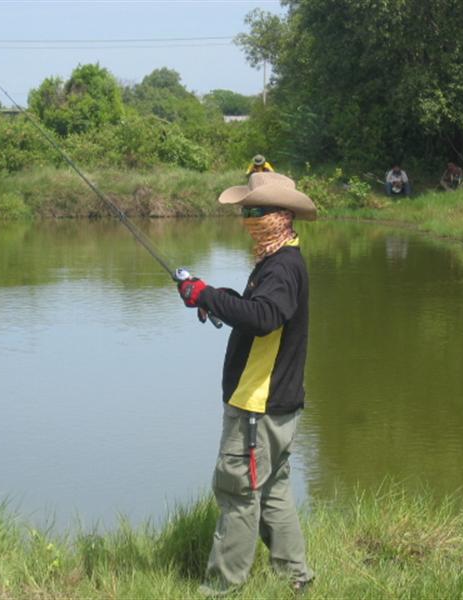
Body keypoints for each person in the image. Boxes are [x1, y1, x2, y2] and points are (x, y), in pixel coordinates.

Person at [176, 172, 316, 595]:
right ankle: (297, 579)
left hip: (258, 407)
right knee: (272, 492)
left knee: (238, 494)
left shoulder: (282, 268)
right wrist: (212, 295)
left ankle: (221, 588)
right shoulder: (280, 260)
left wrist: (204, 295)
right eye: (246, 211)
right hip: (277, 406)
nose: (248, 219)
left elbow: (263, 317)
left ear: (282, 216)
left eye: (256, 211)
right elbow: (255, 310)